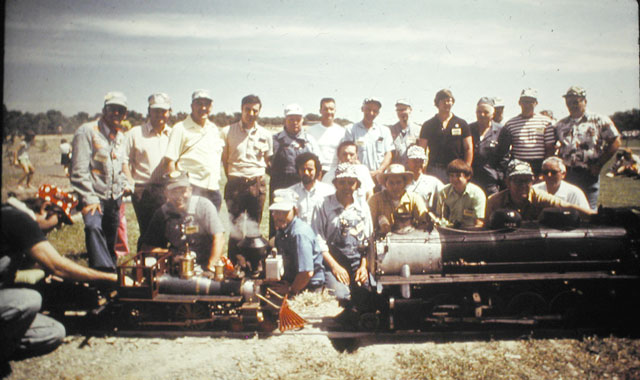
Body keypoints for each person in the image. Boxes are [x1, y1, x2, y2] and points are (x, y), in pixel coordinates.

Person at [1, 188, 120, 363]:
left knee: (52, 332)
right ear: (45, 208)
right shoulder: (19, 219)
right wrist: (110, 278)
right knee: (29, 300)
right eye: (60, 220)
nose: (59, 227)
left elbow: (41, 264)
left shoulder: (16, 218)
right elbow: (58, 266)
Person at [70, 91, 129, 272]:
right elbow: (79, 170)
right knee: (93, 228)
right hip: (94, 196)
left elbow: (121, 165)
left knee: (110, 240)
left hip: (114, 197)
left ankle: (109, 275)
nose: (116, 113)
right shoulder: (87, 131)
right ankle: (105, 276)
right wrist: (89, 198)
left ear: (125, 113)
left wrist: (126, 184)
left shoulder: (120, 136)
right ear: (104, 110)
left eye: (120, 110)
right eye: (112, 109)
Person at [221, 95, 273, 266]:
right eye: (247, 109)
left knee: (254, 227)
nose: (251, 113)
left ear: (259, 111)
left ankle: (254, 264)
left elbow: (267, 160)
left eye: (255, 110)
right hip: (235, 184)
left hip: (257, 185)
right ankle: (234, 264)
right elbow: (225, 159)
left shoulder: (266, 134)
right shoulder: (228, 131)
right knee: (235, 227)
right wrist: (235, 178)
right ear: (242, 109)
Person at [140, 171, 225, 274]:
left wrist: (211, 265)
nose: (179, 196)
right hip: (175, 264)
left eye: (183, 191)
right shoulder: (162, 213)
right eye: (174, 192)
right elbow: (147, 247)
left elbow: (219, 238)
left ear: (190, 191)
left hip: (203, 264)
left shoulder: (204, 206)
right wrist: (170, 254)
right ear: (166, 193)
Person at [312, 163, 373, 302]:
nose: (347, 187)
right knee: (341, 296)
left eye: (351, 183)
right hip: (332, 260)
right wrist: (335, 267)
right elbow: (318, 239)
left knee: (367, 292)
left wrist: (363, 267)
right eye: (342, 182)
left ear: (357, 184)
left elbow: (368, 241)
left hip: (357, 260)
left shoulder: (363, 206)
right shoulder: (323, 204)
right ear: (335, 183)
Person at [555, 86, 622, 210]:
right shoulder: (560, 124)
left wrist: (600, 164)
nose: (572, 105)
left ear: (584, 101)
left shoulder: (599, 120)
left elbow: (616, 141)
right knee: (567, 209)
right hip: (567, 174)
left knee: (588, 211)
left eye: (575, 102)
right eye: (568, 102)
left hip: (588, 173)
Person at [162, 89, 225, 211]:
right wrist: (177, 191)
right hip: (191, 189)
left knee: (211, 228)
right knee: (192, 228)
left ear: (211, 106)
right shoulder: (180, 128)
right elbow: (169, 162)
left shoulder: (213, 129)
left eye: (206, 104)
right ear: (192, 106)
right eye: (199, 104)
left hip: (213, 190)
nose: (203, 107)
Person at [122, 92, 172, 240]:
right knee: (148, 232)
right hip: (143, 190)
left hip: (167, 189)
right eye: (156, 110)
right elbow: (123, 160)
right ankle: (145, 262)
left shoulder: (173, 133)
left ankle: (163, 263)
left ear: (169, 112)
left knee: (167, 233)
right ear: (149, 111)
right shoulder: (135, 133)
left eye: (164, 111)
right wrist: (130, 181)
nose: (160, 114)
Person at [486, 159, 595, 222]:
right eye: (518, 181)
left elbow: (567, 206)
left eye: (527, 181)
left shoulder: (540, 197)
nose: (523, 185)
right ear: (507, 183)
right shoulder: (494, 202)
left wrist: (596, 216)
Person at [270, 104, 319, 236]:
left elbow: (317, 165)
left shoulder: (310, 141)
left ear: (302, 120)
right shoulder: (274, 140)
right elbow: (267, 164)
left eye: (298, 119)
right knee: (278, 221)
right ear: (285, 120)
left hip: (302, 185)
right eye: (291, 119)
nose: (294, 122)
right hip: (280, 185)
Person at [270, 189, 324, 295]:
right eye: (276, 212)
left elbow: (306, 273)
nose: (279, 216)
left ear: (295, 211)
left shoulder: (299, 235)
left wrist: (290, 290)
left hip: (308, 287)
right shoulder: (282, 230)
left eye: (284, 212)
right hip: (294, 280)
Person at [495, 88, 555, 176]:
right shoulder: (510, 123)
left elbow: (550, 148)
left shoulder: (546, 122)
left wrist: (544, 170)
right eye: (524, 101)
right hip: (518, 165)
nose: (527, 104)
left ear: (536, 103)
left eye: (530, 101)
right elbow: (505, 149)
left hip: (539, 165)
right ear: (519, 102)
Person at [418, 89, 472, 183]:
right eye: (444, 101)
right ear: (437, 103)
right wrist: (422, 168)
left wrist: (467, 167)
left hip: (456, 170)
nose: (447, 103)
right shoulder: (428, 125)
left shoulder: (462, 123)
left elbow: (468, 148)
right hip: (435, 169)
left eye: (450, 100)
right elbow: (421, 149)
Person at [343, 98, 394, 183]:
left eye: (375, 111)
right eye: (368, 109)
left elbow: (389, 154)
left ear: (378, 113)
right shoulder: (351, 129)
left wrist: (379, 171)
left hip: (380, 178)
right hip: (359, 177)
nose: (371, 113)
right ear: (362, 109)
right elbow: (349, 154)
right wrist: (364, 172)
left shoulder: (384, 130)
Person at [368, 164, 429, 236]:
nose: (395, 187)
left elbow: (425, 221)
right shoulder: (375, 200)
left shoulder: (414, 198)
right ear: (385, 184)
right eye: (391, 183)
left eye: (399, 182)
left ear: (404, 183)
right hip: (384, 241)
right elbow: (369, 225)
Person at [434, 159, 486, 228]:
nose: (454, 179)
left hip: (470, 233)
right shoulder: (443, 192)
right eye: (452, 176)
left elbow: (479, 223)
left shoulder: (477, 194)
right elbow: (440, 217)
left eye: (458, 176)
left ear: (467, 177)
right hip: (449, 231)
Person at [469, 97, 505, 196]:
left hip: (491, 182)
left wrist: (498, 176)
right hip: (472, 179)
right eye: (479, 112)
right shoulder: (468, 129)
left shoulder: (501, 131)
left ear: (493, 114)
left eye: (486, 112)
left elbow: (504, 157)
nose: (482, 115)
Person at [287, 152, 335, 225]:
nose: (306, 173)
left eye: (310, 170)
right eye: (303, 169)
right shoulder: (290, 192)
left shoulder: (328, 191)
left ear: (317, 170)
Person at [306, 98, 345, 177]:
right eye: (325, 109)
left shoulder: (342, 131)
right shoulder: (311, 131)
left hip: (336, 172)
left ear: (335, 110)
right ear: (320, 111)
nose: (329, 112)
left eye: (331, 109)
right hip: (316, 172)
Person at [404, 145, 444, 210]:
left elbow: (446, 194)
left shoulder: (432, 181)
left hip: (424, 216)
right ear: (408, 162)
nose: (418, 164)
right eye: (415, 161)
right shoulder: (401, 181)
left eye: (421, 161)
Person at [389, 99, 421, 166]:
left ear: (410, 110)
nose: (402, 112)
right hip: (396, 170)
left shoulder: (419, 130)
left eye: (404, 109)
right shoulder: (391, 131)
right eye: (399, 110)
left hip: (413, 169)